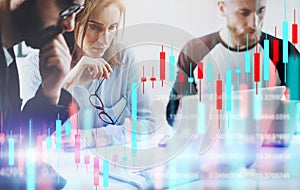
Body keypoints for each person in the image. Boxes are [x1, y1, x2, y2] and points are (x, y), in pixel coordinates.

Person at [20, 0, 155, 149]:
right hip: (63, 167)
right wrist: (67, 82)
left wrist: (94, 137)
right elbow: (34, 136)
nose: (105, 40)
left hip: (114, 164)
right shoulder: (35, 65)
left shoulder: (124, 59)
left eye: (112, 28)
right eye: (94, 27)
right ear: (73, 22)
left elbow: (148, 123)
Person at [166, 0, 300, 126]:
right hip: (211, 147)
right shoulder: (195, 51)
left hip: (268, 148)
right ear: (222, 8)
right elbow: (174, 114)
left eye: (260, 11)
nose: (254, 23)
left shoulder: (284, 52)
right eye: (244, 13)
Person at [0, 0, 85, 188]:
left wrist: (50, 90)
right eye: (67, 8)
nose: (70, 25)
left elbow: (13, 144)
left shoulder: (7, 56)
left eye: (77, 11)